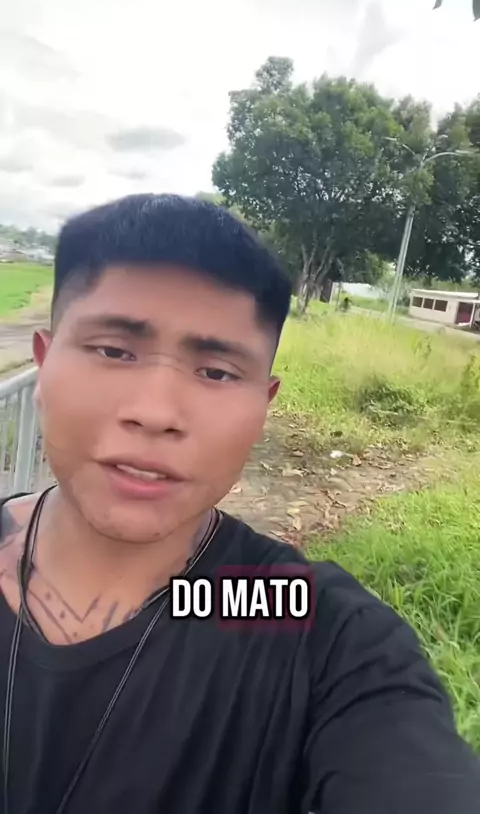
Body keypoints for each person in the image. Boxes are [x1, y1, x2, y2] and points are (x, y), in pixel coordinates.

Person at [0, 194, 478, 814]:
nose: (156, 412)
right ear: (43, 363)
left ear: (264, 403)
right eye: (114, 351)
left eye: (217, 372)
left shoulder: (318, 634)